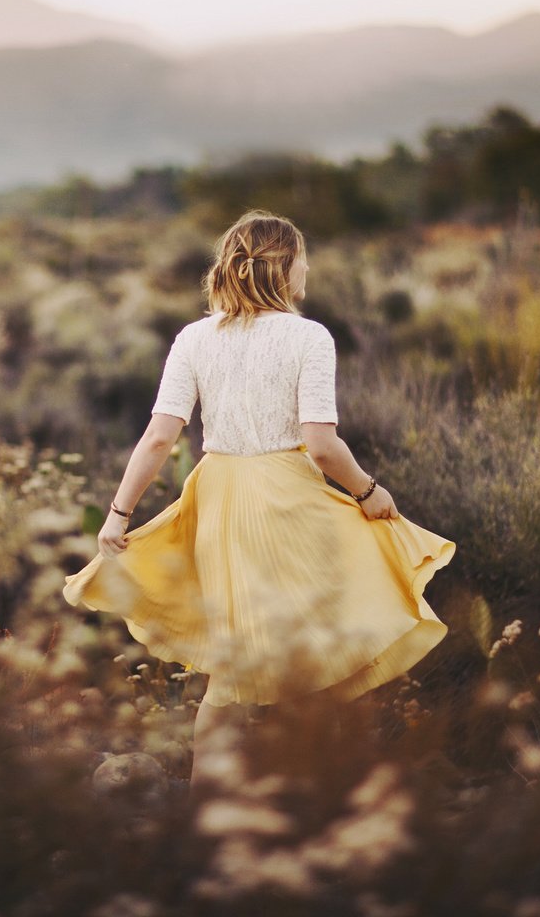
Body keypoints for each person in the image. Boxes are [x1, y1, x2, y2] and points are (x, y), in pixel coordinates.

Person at [62, 208, 456, 792]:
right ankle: (325, 791)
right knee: (321, 641)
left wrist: (118, 514)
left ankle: (206, 802)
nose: (308, 268)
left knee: (233, 661)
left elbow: (160, 438)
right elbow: (322, 446)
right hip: (288, 498)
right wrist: (371, 493)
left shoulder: (193, 338)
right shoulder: (309, 337)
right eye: (303, 258)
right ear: (284, 266)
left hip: (219, 497)